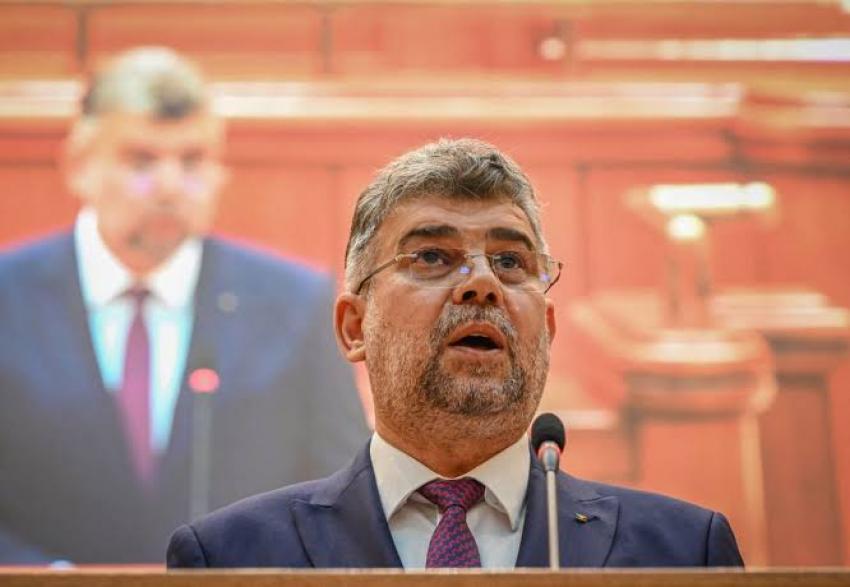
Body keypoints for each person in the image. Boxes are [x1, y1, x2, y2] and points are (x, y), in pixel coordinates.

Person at [167, 138, 744, 569]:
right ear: (354, 328)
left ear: (546, 328)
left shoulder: (683, 552)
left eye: (511, 262)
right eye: (432, 258)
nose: (483, 284)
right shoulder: (231, 557)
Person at [0, 47, 368, 564]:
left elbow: (341, 498)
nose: (170, 187)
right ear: (79, 165)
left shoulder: (292, 303)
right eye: (141, 161)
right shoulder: (8, 297)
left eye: (192, 162)